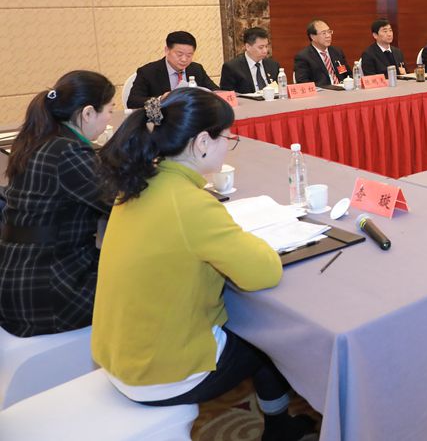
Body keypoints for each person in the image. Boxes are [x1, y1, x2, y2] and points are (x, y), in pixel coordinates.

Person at [93, 89, 314, 441]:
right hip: (159, 372)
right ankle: (279, 428)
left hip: (120, 353)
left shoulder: (138, 184)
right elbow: (264, 272)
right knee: (271, 338)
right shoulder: (192, 204)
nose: (229, 145)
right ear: (201, 143)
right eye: (227, 137)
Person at [0, 71, 115, 337]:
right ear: (88, 113)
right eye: (109, 110)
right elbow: (120, 201)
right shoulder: (68, 152)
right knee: (145, 281)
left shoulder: (38, 139)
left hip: (19, 276)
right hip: (52, 289)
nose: (110, 118)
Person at [126, 31, 219, 109]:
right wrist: (160, 99)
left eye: (189, 55)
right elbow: (132, 102)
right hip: (162, 121)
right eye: (179, 54)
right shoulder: (148, 72)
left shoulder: (196, 69)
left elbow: (215, 91)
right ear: (167, 50)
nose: (184, 59)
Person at [220, 27, 281, 94]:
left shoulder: (273, 65)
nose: (265, 51)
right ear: (248, 47)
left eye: (266, 46)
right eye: (261, 47)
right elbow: (227, 95)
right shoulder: (232, 68)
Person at [293, 19, 350, 86]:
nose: (328, 36)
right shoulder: (303, 57)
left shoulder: (337, 52)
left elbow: (348, 75)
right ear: (313, 37)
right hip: (322, 91)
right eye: (324, 33)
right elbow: (303, 83)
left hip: (343, 89)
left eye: (329, 32)